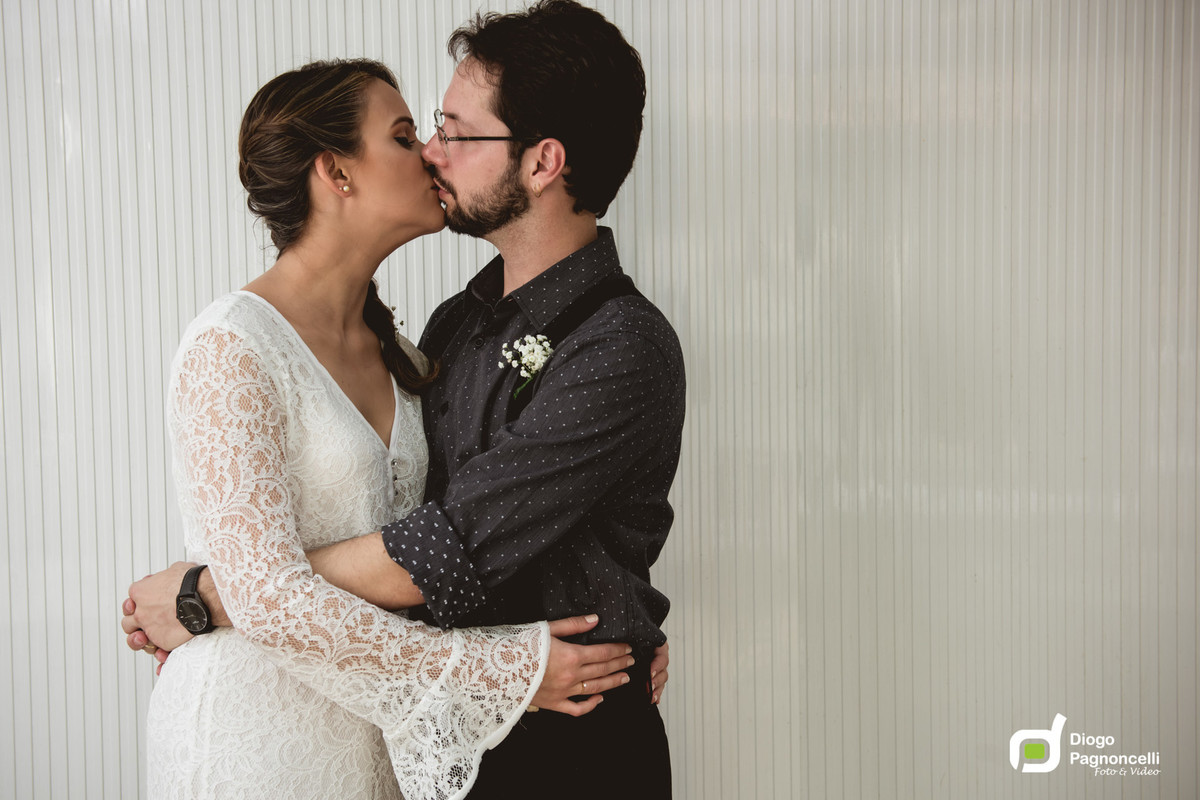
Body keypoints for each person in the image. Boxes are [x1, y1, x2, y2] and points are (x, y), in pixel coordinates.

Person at [126, 1, 682, 796]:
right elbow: (400, 524)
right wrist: (252, 588)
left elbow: (445, 545)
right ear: (336, 173)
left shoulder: (622, 347)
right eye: (417, 131)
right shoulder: (451, 327)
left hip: (568, 739)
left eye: (456, 131)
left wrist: (212, 591)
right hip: (419, 732)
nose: (432, 151)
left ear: (542, 162)